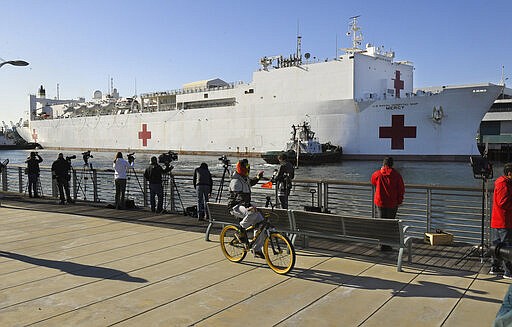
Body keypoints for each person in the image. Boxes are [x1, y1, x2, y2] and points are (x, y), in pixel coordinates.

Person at [227, 159, 265, 258]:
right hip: (235, 206)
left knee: (261, 221)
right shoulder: (235, 181)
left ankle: (256, 249)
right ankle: (240, 230)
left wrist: (258, 177)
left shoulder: (244, 178)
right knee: (252, 213)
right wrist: (250, 207)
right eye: (246, 167)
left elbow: (250, 182)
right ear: (241, 168)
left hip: (245, 204)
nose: (248, 169)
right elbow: (239, 197)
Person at [371, 157, 404, 251]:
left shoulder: (377, 174)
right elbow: (401, 189)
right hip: (392, 203)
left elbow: (373, 181)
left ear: (383, 164)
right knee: (390, 224)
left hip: (380, 203)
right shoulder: (397, 175)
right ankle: (388, 244)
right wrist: (400, 201)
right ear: (392, 164)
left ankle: (382, 244)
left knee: (382, 223)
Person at [490, 163, 512, 278]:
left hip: (498, 219)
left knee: (497, 245)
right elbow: (503, 202)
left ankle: (495, 267)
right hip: (504, 220)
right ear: (509, 174)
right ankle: (508, 271)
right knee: (507, 247)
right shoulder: (504, 184)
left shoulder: (501, 182)